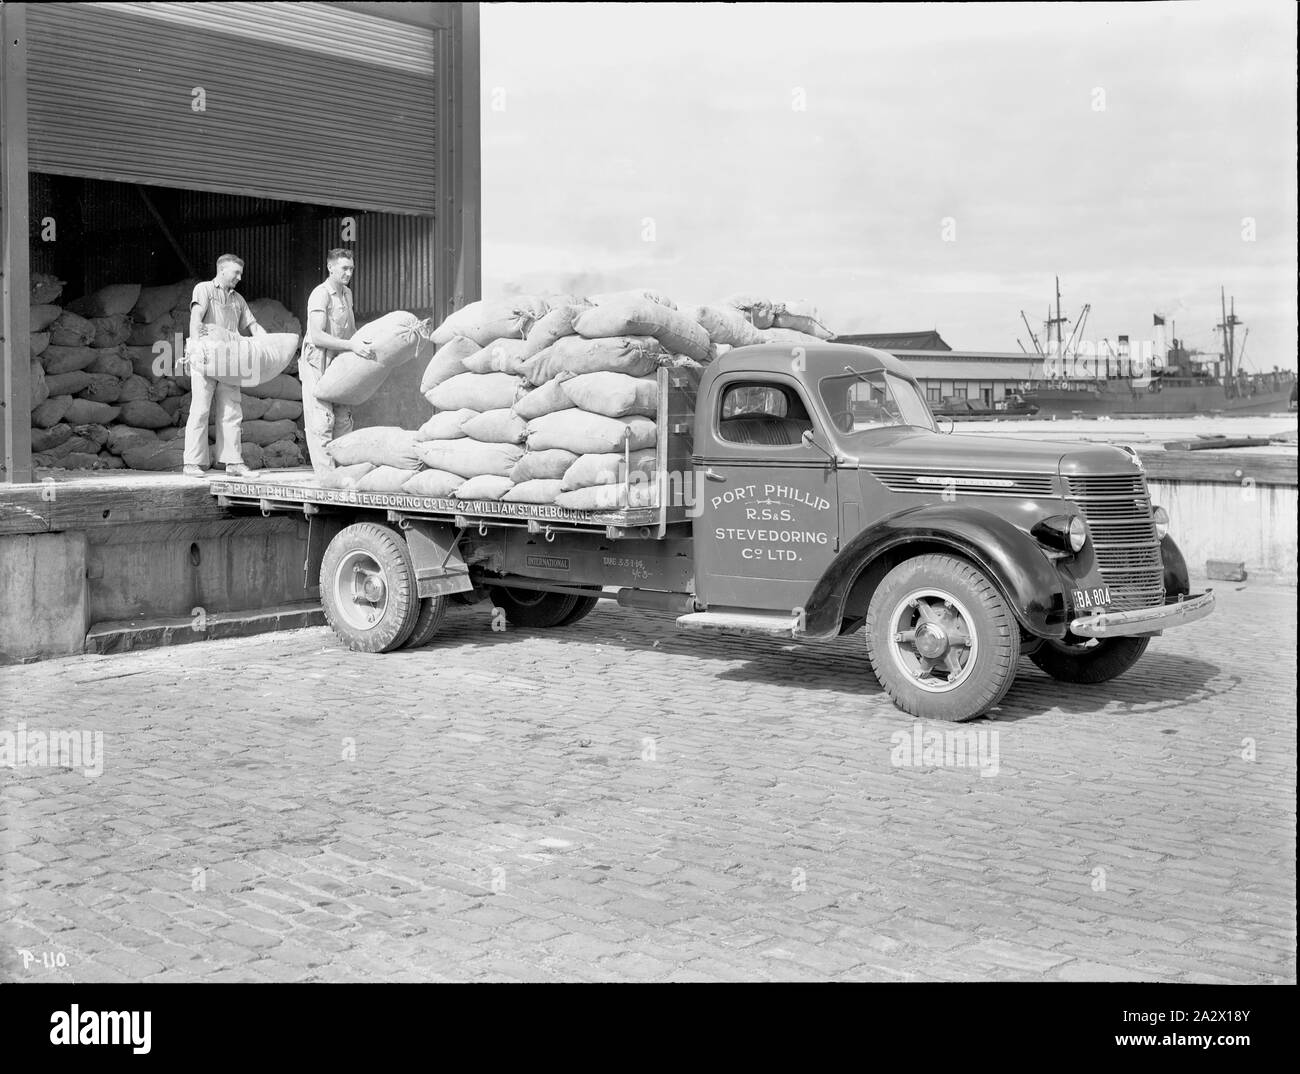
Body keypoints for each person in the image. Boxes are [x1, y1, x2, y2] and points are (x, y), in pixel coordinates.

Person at [182, 254, 265, 478]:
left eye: (240, 273)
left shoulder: (238, 299)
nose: (239, 277)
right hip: (207, 357)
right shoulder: (205, 289)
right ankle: (192, 463)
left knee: (231, 411)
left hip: (229, 361)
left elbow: (253, 326)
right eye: (235, 273)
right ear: (221, 270)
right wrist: (195, 348)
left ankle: (233, 462)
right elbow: (196, 318)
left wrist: (269, 344)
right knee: (200, 409)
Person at [299, 248, 375, 473]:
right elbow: (317, 336)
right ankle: (327, 476)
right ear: (330, 267)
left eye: (351, 268)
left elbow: (350, 330)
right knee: (322, 419)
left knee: (343, 418)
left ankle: (345, 471)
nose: (349, 273)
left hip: (340, 358)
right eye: (344, 268)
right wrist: (351, 346)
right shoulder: (320, 294)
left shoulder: (347, 294)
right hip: (318, 360)